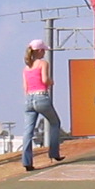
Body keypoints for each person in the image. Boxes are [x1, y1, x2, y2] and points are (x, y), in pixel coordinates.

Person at [21, 39, 65, 171]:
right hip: (41, 97)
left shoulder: (26, 67)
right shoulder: (43, 63)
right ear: (39, 51)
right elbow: (45, 79)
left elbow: (25, 87)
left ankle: (27, 161)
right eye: (44, 50)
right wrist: (51, 82)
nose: (45, 52)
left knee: (28, 131)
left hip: (29, 98)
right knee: (55, 122)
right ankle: (54, 153)